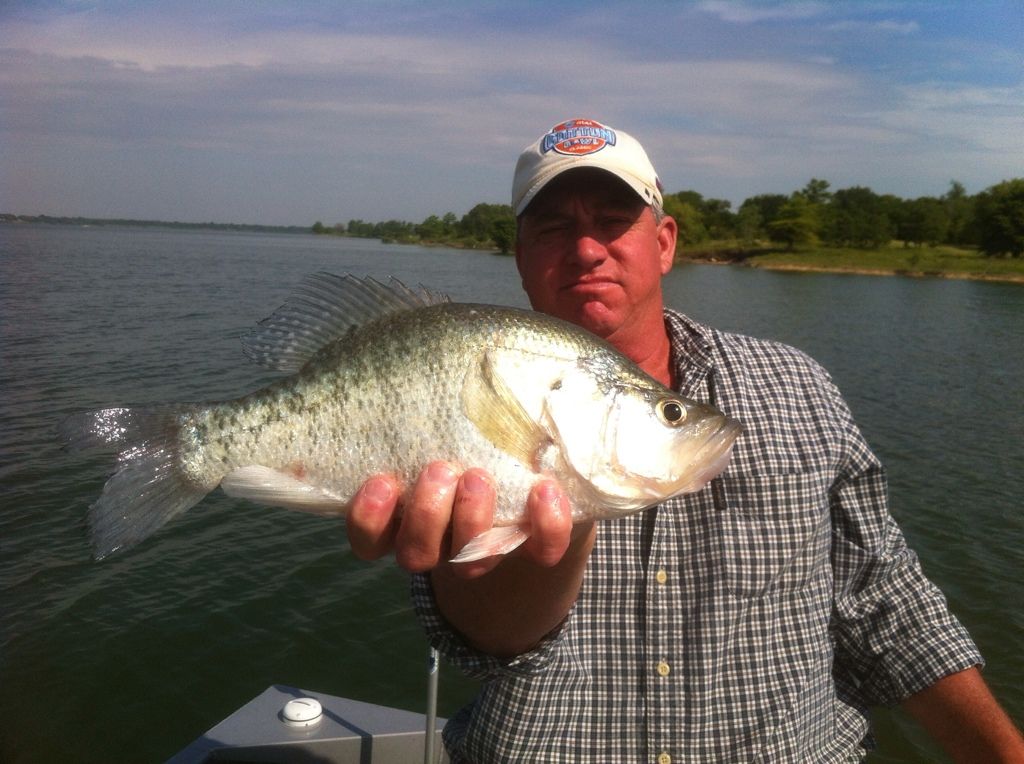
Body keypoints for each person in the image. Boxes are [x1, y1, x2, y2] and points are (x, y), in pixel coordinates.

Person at [345, 119, 1024, 762]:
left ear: (665, 242)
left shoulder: (800, 388)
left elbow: (885, 601)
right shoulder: (458, 393)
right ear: (519, 257)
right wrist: (564, 520)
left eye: (614, 223)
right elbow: (487, 641)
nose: (586, 249)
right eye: (553, 228)